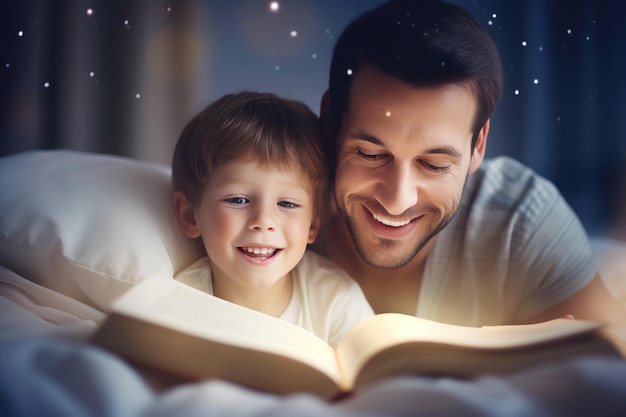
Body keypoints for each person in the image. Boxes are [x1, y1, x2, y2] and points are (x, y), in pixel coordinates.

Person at [312, 0, 626, 327]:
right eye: (371, 155)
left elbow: (612, 368)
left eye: (433, 164)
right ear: (331, 120)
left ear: (478, 145)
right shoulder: (270, 203)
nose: (397, 200)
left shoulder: (520, 221)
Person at [171, 91, 374, 348]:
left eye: (287, 204)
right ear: (190, 215)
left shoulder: (336, 301)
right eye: (238, 200)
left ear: (312, 225)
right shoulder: (176, 305)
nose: (263, 221)